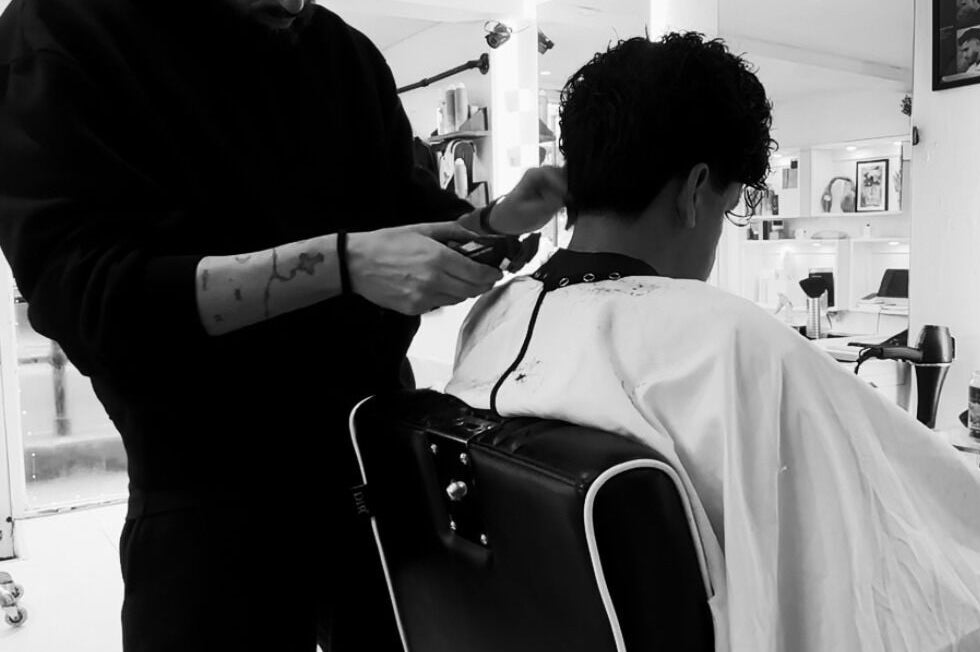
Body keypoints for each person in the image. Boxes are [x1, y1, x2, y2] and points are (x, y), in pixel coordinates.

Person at [446, 33, 980, 652]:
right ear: (697, 189)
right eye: (731, 208)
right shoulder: (722, 341)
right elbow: (902, 575)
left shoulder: (496, 316)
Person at [0, 0, 564, 650]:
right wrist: (341, 263)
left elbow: (401, 214)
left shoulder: (339, 53)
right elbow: (88, 298)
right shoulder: (66, 30)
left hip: (375, 476)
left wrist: (489, 225)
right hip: (206, 499)